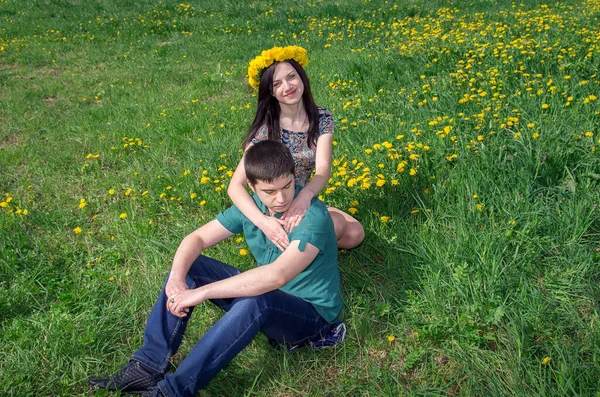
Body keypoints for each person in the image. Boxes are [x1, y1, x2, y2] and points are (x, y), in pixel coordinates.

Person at [88, 141, 346, 397]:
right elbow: (195, 240)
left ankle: (172, 392)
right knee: (192, 265)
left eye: (288, 186)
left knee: (257, 301)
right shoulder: (252, 209)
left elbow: (277, 275)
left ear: (293, 177)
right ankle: (147, 366)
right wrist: (177, 279)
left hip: (311, 317)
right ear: (252, 187)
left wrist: (202, 293)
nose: (281, 198)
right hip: (268, 295)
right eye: (270, 191)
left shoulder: (313, 215)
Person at [228, 45, 364, 252]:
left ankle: (305, 243)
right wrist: (263, 222)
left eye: (291, 76)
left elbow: (322, 170)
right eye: (277, 84)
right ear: (271, 92)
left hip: (302, 196)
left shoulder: (322, 118)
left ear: (301, 77)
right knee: (335, 225)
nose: (287, 86)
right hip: (274, 205)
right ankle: (293, 248)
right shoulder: (266, 129)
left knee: (355, 234)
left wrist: (305, 197)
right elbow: (235, 187)